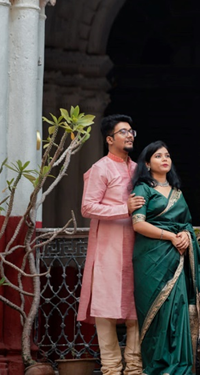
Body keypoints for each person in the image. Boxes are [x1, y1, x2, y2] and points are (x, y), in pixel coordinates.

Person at [128, 141, 200, 375]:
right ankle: (158, 369)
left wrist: (183, 234)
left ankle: (180, 369)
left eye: (167, 155)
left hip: (177, 258)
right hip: (151, 259)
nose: (165, 159)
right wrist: (171, 236)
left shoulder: (177, 192)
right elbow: (138, 224)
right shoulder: (143, 189)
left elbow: (187, 224)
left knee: (179, 309)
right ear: (147, 163)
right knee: (158, 314)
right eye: (158, 155)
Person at [78, 114, 146, 375]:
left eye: (131, 131)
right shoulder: (101, 168)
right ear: (109, 139)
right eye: (123, 132)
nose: (129, 135)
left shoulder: (138, 169)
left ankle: (134, 369)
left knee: (135, 311)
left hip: (136, 249)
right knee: (106, 313)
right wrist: (123, 209)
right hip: (108, 251)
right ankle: (111, 370)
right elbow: (87, 207)